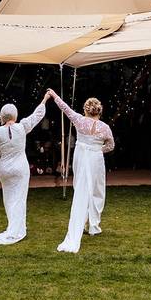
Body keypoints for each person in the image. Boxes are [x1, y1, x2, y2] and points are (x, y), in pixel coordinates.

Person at [47, 89, 115, 253]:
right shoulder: (105, 127)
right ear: (99, 111)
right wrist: (98, 149)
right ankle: (94, 225)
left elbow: (65, 108)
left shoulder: (78, 120)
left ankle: (87, 222)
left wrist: (54, 96)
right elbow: (111, 145)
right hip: (96, 159)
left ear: (86, 110)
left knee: (81, 188)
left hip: (81, 157)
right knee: (97, 190)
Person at [0, 93, 50, 245]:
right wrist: (45, 99)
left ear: (2, 116)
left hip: (5, 168)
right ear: (15, 114)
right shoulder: (22, 127)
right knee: (19, 199)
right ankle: (17, 229)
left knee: (8, 199)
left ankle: (14, 227)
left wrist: (2, 153)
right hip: (20, 168)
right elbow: (37, 115)